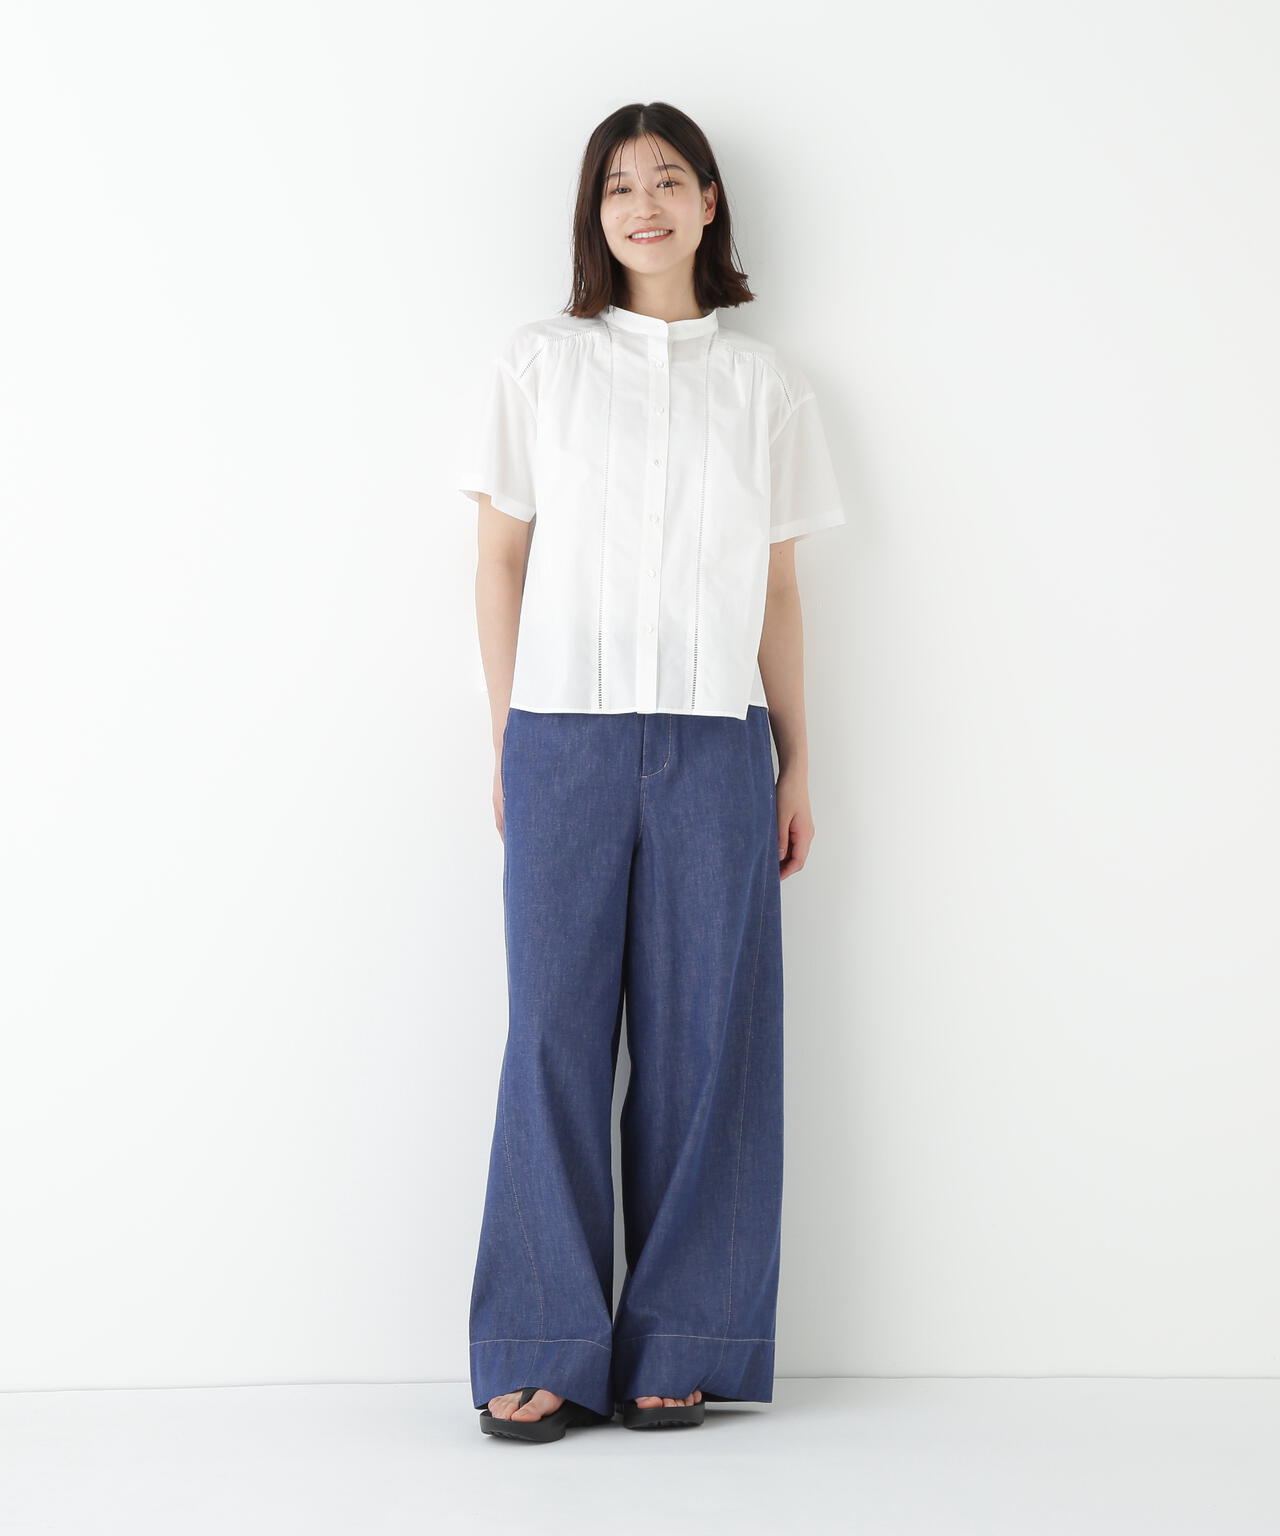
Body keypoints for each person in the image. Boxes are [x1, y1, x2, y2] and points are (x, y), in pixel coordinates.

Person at [457, 102, 847, 1443]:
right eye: (619, 184)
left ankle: (683, 1340)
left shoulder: (765, 386)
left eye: (669, 179)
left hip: (715, 740)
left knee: (706, 1046)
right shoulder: (541, 363)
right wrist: (508, 739)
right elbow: (499, 561)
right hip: (562, 732)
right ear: (595, 212)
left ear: (710, 202)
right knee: (551, 1037)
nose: (645, 204)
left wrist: (797, 759)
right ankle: (540, 1341)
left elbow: (778, 590)